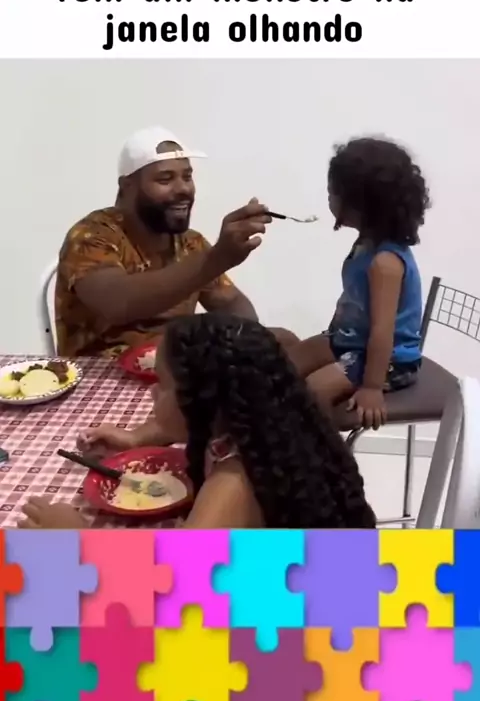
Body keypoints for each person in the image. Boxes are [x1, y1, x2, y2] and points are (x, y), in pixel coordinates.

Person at [18, 313, 376, 530]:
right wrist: (137, 437)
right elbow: (178, 423)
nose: (152, 393)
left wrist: (78, 541)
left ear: (203, 400)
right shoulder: (262, 425)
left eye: (163, 385)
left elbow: (177, 587)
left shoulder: (234, 483)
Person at [55, 125, 277, 358]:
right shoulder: (92, 236)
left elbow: (234, 306)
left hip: (174, 367)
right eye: (165, 179)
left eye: (187, 177)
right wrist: (216, 259)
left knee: (282, 341)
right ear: (127, 186)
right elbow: (117, 304)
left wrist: (236, 344)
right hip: (101, 372)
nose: (183, 189)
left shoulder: (190, 243)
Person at [289, 136, 431, 431]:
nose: (329, 199)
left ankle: (320, 452)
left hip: (389, 360)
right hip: (352, 341)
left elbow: (382, 332)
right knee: (286, 362)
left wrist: (371, 387)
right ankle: (274, 434)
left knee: (314, 390)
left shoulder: (385, 263)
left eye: (333, 193)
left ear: (361, 203)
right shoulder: (365, 244)